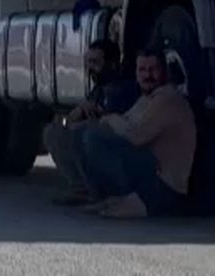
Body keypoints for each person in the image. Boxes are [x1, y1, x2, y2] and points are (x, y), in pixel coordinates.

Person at [78, 46, 197, 218]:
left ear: (163, 71)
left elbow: (136, 135)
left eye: (153, 70)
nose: (147, 75)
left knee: (95, 138)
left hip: (165, 186)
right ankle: (98, 195)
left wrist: (111, 119)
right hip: (152, 175)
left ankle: (125, 198)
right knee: (85, 131)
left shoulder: (168, 98)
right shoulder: (148, 98)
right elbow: (125, 122)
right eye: (142, 70)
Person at [44, 39, 140, 205]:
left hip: (123, 151)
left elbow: (114, 125)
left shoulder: (122, 88)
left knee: (83, 132)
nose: (90, 68)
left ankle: (101, 189)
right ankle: (81, 187)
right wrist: (73, 115)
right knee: (54, 131)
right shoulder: (99, 89)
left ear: (111, 64)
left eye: (95, 62)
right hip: (98, 141)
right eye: (88, 63)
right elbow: (70, 120)